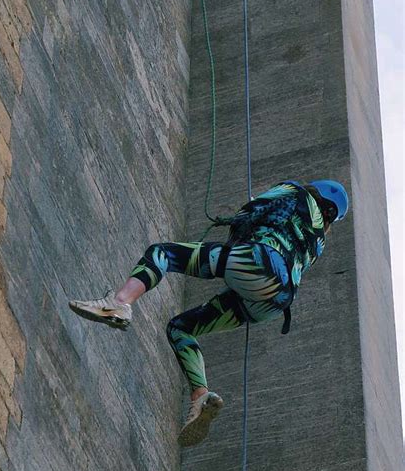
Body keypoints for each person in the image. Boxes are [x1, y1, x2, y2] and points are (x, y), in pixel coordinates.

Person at [68, 180, 349, 447]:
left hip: (258, 262)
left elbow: (249, 213)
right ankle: (201, 396)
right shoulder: (318, 242)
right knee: (181, 328)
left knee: (163, 254)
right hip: (275, 302)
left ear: (316, 189)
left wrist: (236, 224)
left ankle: (119, 302)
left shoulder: (293, 190)